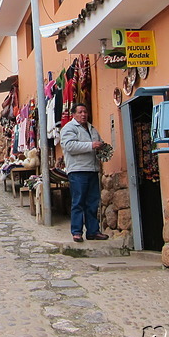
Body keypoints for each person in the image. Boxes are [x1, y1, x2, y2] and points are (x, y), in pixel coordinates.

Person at [61, 102, 109, 243]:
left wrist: (101, 147)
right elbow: (70, 146)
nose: (83, 114)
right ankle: (76, 231)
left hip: (92, 169)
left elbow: (97, 142)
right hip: (78, 170)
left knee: (93, 202)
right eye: (80, 112)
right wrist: (91, 145)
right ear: (74, 114)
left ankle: (93, 231)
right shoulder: (68, 128)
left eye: (85, 112)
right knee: (79, 201)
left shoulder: (91, 128)